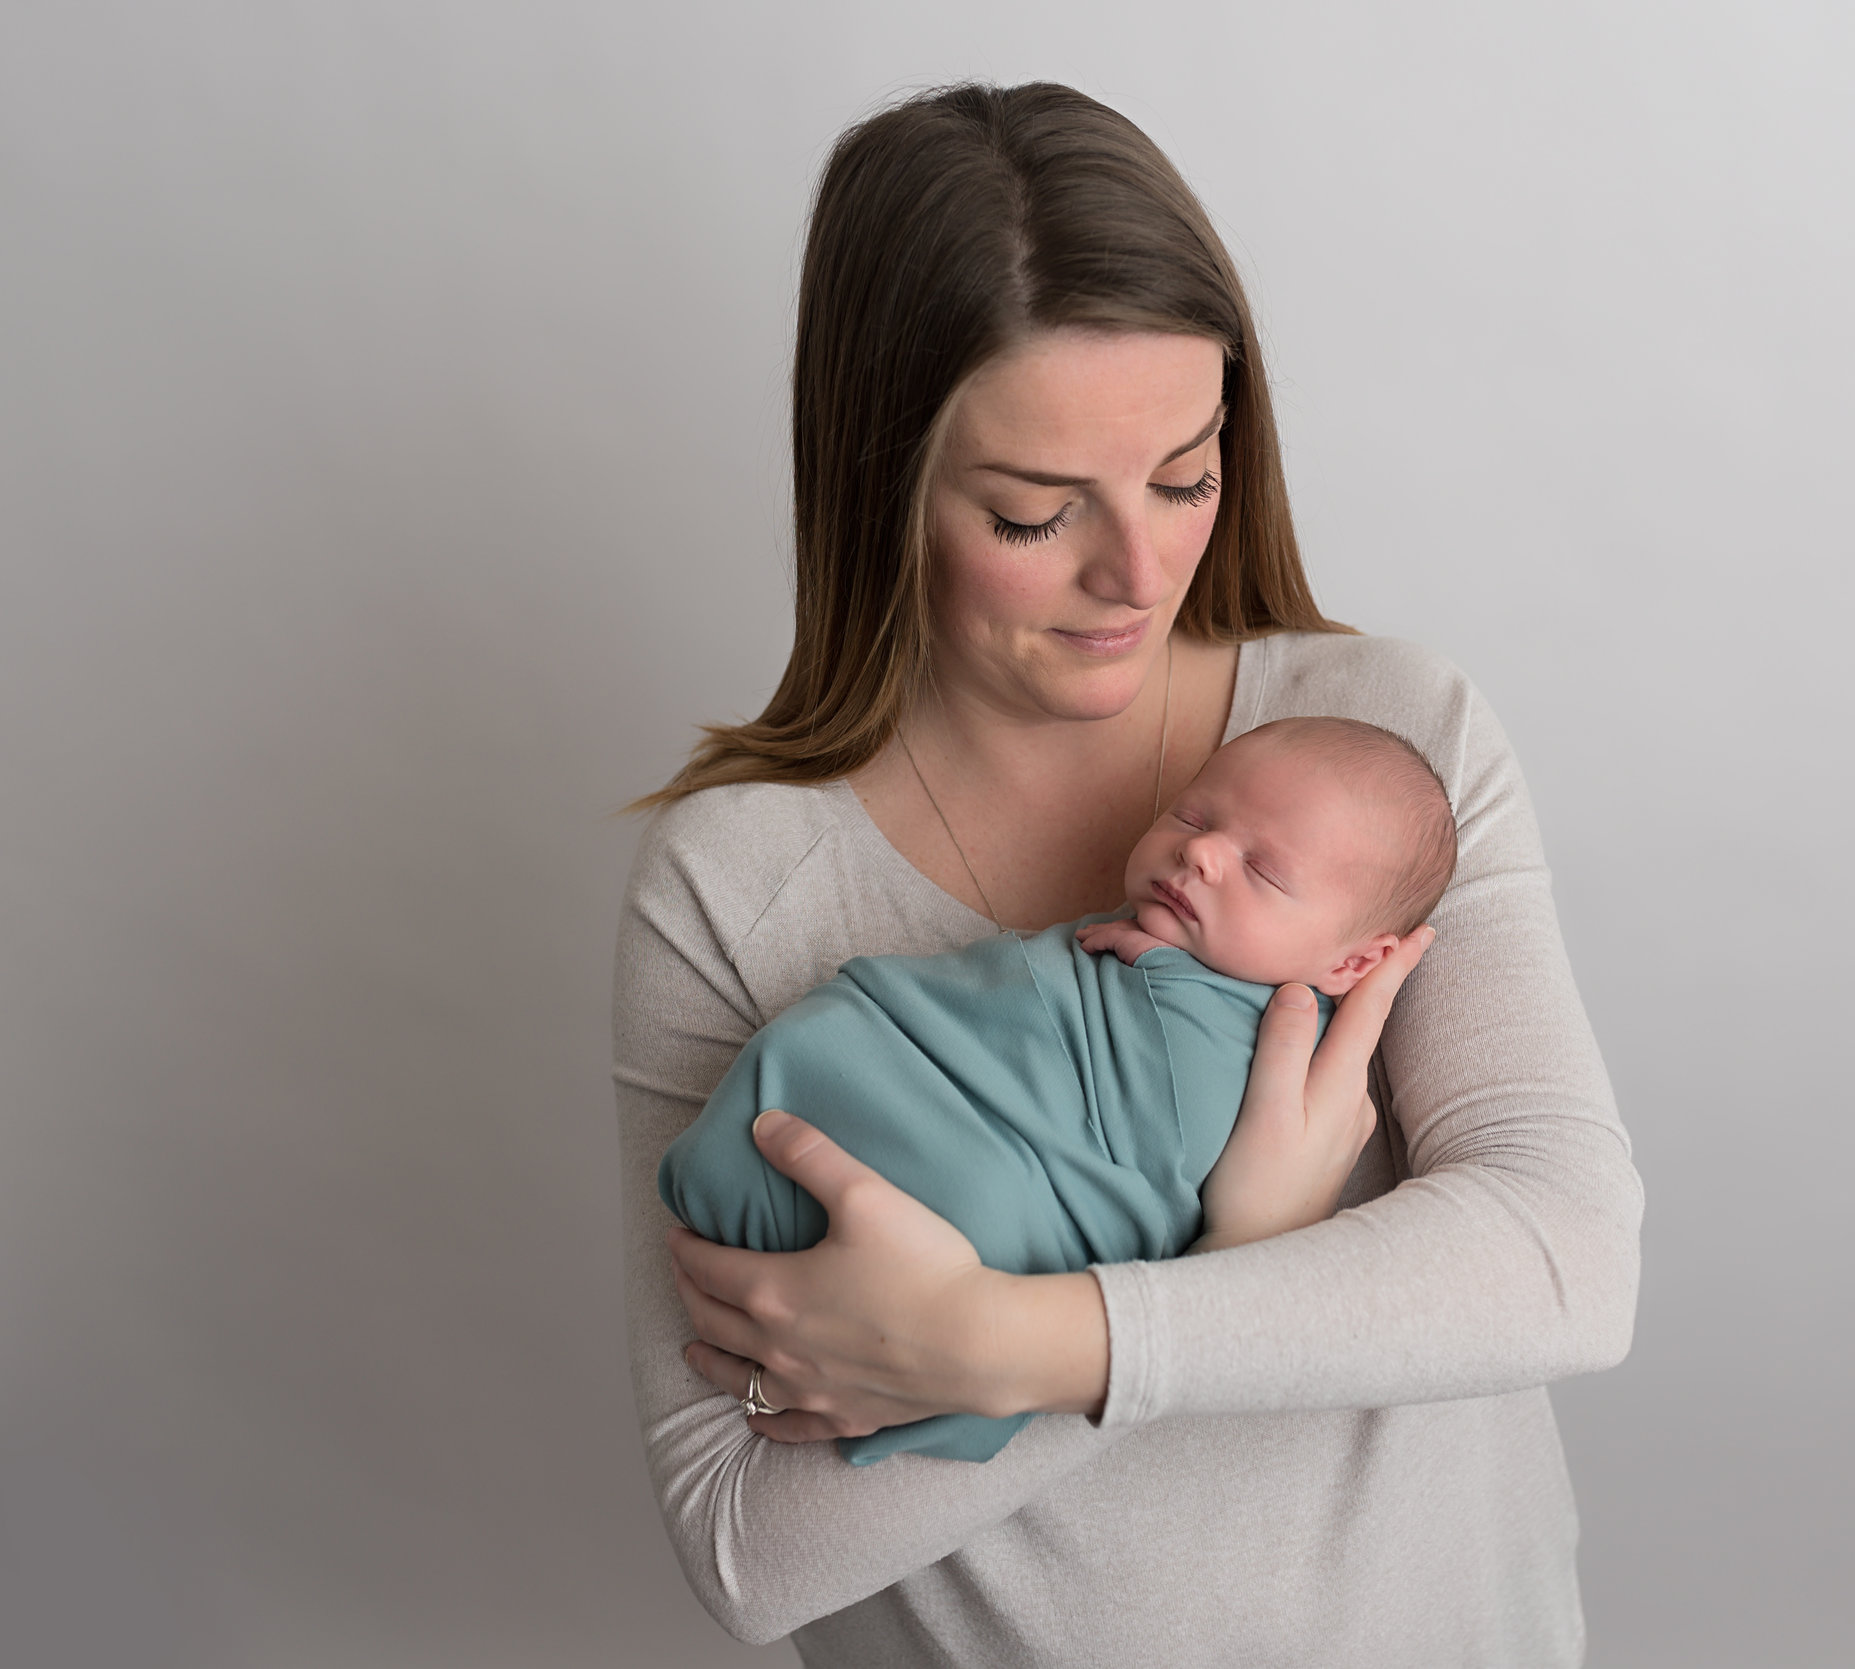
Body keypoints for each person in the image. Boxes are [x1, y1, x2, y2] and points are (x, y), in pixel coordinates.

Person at [614, 80, 1642, 1666]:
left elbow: (1567, 1260)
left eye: (1185, 476)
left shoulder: (1384, 746)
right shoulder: (741, 882)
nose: (1139, 576)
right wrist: (1236, 1256)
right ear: (885, 487)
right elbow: (748, 1547)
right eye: (1036, 514)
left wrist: (1008, 1339)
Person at [657, 718, 1455, 1468]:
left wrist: (1242, 1257)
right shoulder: (717, 865)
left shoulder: (1288, 1061)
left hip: (994, 1199)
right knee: (822, 1049)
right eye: (1191, 814)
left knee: (985, 1206)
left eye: (1264, 869)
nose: (1203, 852)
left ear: (1354, 964)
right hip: (883, 1069)